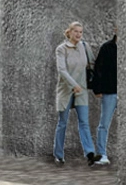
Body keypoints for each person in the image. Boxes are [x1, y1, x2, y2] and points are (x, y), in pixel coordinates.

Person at [53, 21, 100, 166]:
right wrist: (74, 85)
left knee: (84, 122)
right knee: (62, 123)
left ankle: (90, 154)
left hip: (82, 90)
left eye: (81, 32)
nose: (79, 34)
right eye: (76, 31)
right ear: (70, 32)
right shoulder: (61, 49)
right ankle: (59, 155)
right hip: (66, 90)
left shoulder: (84, 46)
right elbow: (62, 70)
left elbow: (92, 64)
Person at [91, 24, 118, 166]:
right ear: (115, 29)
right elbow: (98, 68)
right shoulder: (107, 47)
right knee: (104, 124)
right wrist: (97, 89)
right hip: (110, 91)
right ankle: (102, 154)